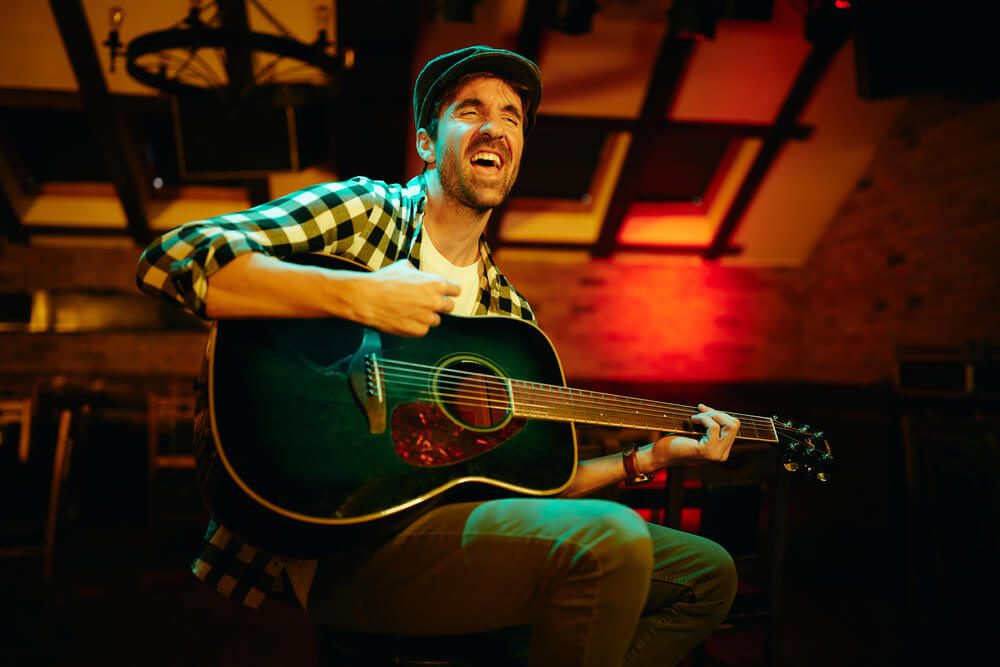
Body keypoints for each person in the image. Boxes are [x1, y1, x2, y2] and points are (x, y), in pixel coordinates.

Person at [137, 45, 739, 666]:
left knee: (708, 572)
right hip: (346, 545)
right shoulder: (367, 215)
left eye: (511, 116)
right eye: (470, 109)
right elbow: (174, 259)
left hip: (464, 537)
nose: (495, 127)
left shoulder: (511, 319)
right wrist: (361, 294)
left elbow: (532, 493)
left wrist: (649, 457)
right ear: (427, 142)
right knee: (609, 541)